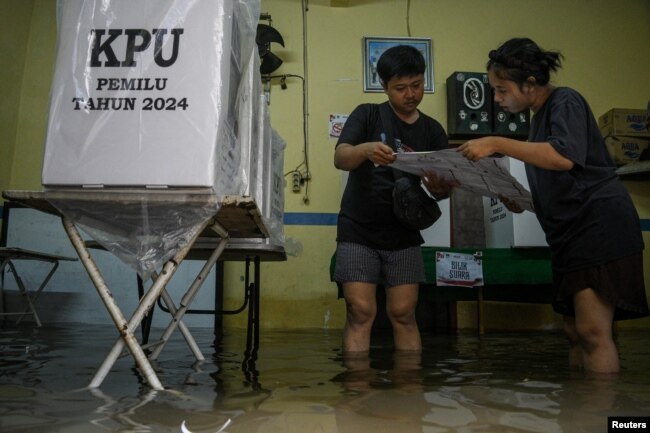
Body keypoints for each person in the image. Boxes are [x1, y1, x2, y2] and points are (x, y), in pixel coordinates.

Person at [457, 37, 649, 373]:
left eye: (502, 90)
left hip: (599, 227)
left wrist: (495, 142)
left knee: (592, 331)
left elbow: (562, 157)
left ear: (530, 84)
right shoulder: (538, 121)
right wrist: (522, 201)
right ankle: (580, 413)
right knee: (575, 331)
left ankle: (607, 422)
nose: (497, 98)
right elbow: (563, 184)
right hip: (571, 235)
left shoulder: (566, 101)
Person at [333, 45, 452, 353]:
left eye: (416, 85)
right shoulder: (367, 114)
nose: (410, 94)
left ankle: (409, 392)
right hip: (358, 229)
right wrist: (366, 149)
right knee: (360, 311)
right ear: (384, 87)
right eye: (400, 88)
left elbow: (443, 191)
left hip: (404, 232)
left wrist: (439, 185)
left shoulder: (433, 130)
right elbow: (341, 157)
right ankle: (357, 389)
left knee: (403, 313)